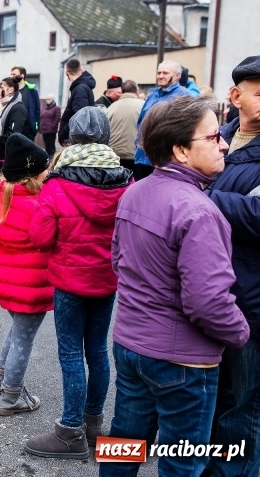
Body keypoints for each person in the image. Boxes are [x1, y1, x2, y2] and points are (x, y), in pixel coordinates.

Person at [101, 96, 250, 477]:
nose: (223, 144)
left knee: (124, 442)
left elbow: (119, 262)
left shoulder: (136, 191)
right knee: (183, 460)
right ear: (181, 150)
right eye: (213, 136)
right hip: (183, 359)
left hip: (131, 343)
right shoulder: (199, 212)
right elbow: (207, 302)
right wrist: (240, 334)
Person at [25, 107, 132, 459]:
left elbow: (40, 237)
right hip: (107, 280)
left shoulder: (57, 184)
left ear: (72, 137)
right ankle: (93, 424)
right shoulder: (126, 181)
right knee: (98, 351)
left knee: (71, 353)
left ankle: (71, 432)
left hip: (69, 281)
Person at [203, 56, 260, 477]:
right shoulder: (216, 138)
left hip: (251, 298)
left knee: (243, 406)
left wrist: (199, 198)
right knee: (212, 396)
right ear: (236, 96)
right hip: (212, 294)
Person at [0, 133, 52, 417]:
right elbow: (47, 238)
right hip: (32, 283)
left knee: (16, 332)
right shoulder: (39, 203)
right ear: (34, 172)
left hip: (6, 279)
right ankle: (11, 396)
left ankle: (0, 383)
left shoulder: (0, 196)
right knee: (23, 339)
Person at [132, 59, 194, 180]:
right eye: (159, 73)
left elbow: (188, 127)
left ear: (177, 76)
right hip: (143, 158)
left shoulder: (184, 96)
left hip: (164, 160)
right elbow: (141, 122)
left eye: (165, 73)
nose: (160, 76)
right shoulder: (152, 95)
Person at [106, 79, 143, 171]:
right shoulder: (144, 106)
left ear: (122, 91)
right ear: (137, 90)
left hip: (115, 156)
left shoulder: (111, 108)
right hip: (137, 155)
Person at [0, 77, 29, 170]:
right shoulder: (2, 106)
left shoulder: (18, 108)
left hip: (11, 156)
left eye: (1, 87)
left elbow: (13, 134)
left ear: (10, 90)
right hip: (2, 153)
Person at [59, 59, 96, 144]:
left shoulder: (80, 89)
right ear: (81, 70)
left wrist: (64, 132)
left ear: (67, 73)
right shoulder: (83, 87)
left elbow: (80, 118)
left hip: (75, 139)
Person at [10, 66, 40, 139]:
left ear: (22, 75)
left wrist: (36, 128)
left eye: (14, 74)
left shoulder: (32, 92)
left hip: (29, 130)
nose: (11, 77)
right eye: (11, 74)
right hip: (14, 129)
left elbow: (37, 111)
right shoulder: (11, 92)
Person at [39, 93, 61, 157]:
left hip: (51, 131)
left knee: (51, 146)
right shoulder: (45, 108)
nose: (47, 101)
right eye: (47, 99)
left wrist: (52, 126)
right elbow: (41, 117)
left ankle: (52, 158)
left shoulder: (56, 108)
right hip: (44, 130)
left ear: (52, 100)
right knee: (46, 146)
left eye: (49, 99)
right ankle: (47, 158)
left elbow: (57, 118)